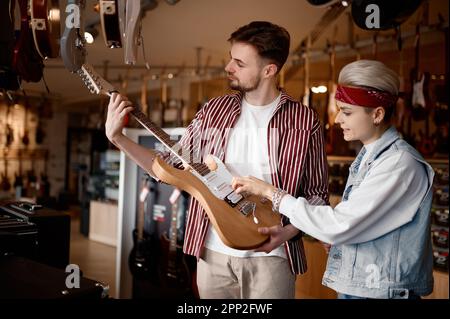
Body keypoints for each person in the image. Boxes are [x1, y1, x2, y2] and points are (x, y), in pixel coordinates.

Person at [105, 21, 329, 299]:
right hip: (212, 253)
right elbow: (166, 165)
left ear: (269, 70)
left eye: (239, 63)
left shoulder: (305, 121)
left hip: (273, 257)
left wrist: (289, 232)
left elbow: (318, 195)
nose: (228, 67)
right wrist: (118, 139)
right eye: (230, 58)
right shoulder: (214, 111)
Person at [232, 59, 435, 299]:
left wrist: (270, 192)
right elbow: (354, 225)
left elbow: (340, 225)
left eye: (347, 112)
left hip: (380, 293)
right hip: (364, 287)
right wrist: (332, 237)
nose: (338, 119)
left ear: (377, 114)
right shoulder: (371, 157)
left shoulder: (399, 164)